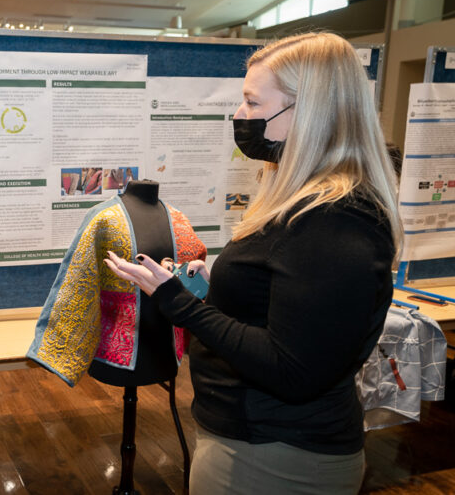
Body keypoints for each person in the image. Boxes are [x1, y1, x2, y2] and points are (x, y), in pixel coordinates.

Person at [105, 32, 402, 494]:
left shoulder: (334, 220)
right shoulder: (303, 202)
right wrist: (218, 286)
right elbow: (282, 304)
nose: (239, 116)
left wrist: (176, 301)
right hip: (252, 440)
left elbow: (293, 370)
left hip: (275, 457)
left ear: (306, 112)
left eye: (251, 102)